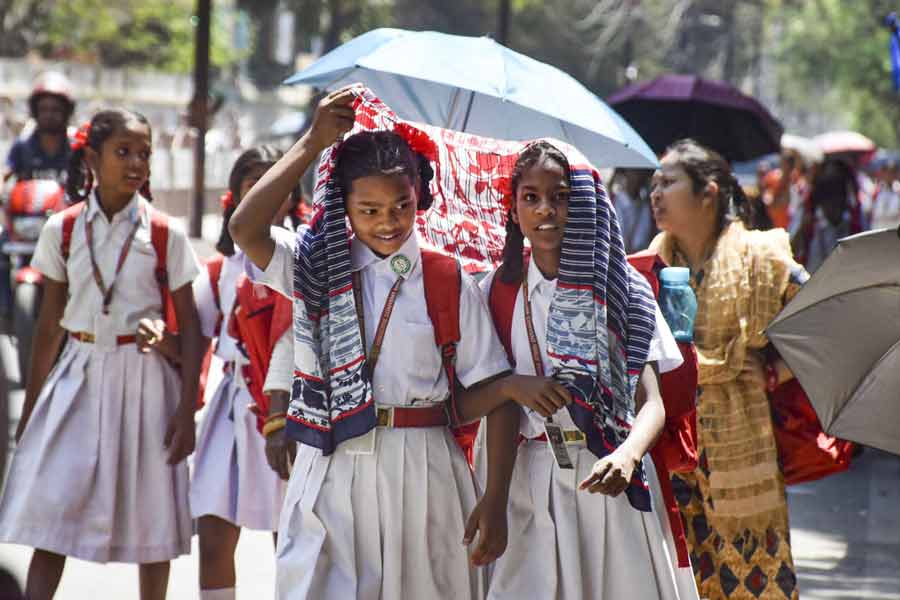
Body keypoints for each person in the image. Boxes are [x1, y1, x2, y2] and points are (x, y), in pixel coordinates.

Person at [228, 86, 565, 599]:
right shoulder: (316, 265)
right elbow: (244, 227)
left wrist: (494, 500)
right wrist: (312, 142)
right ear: (343, 206)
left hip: (423, 472)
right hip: (333, 464)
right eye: (368, 210)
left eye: (401, 205)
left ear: (420, 198)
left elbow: (496, 392)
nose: (387, 221)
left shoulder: (445, 277)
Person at [469, 141, 698, 600]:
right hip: (526, 480)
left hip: (610, 477)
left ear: (587, 203)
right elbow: (476, 402)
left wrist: (629, 456)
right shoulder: (495, 291)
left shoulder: (624, 289)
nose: (546, 210)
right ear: (513, 209)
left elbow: (650, 402)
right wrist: (514, 390)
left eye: (561, 196)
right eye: (530, 197)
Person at [0, 108, 203, 600]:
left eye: (144, 153)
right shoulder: (62, 229)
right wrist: (30, 412)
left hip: (147, 380)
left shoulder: (164, 232)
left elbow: (192, 327)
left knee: (153, 519)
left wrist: (185, 411)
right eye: (123, 152)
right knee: (53, 512)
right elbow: (49, 325)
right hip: (80, 375)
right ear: (92, 158)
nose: (136, 163)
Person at [648, 139, 808, 600]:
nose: (655, 193)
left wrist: (777, 370)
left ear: (708, 192)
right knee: (679, 581)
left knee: (753, 576)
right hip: (674, 449)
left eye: (669, 183)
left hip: (744, 446)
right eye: (653, 184)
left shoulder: (764, 257)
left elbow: (821, 320)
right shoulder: (650, 266)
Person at [188, 147, 290, 600]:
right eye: (254, 185)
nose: (265, 194)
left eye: (276, 183)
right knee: (213, 533)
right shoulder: (218, 271)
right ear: (236, 195)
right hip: (233, 405)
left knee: (289, 536)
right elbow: (190, 333)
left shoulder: (302, 256)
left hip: (288, 407)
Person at [790, 158, 863, 273]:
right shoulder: (811, 227)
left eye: (838, 197)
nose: (833, 206)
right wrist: (802, 229)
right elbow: (793, 252)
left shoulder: (854, 228)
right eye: (829, 198)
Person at [2, 72, 75, 185]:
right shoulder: (22, 146)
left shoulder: (76, 148)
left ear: (67, 112)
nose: (49, 115)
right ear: (35, 111)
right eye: (43, 109)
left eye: (55, 110)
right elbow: (4, 173)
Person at [610, 168, 656, 252]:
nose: (638, 177)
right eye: (634, 172)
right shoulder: (615, 201)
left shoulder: (647, 205)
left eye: (641, 173)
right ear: (626, 173)